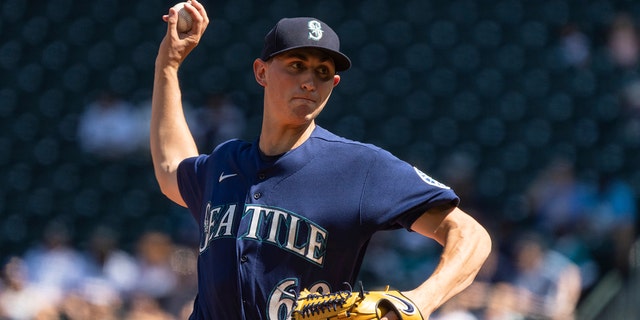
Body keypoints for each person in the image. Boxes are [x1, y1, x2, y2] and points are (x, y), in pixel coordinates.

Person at [150, 1, 492, 319]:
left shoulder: (359, 167)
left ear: (334, 83)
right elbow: (170, 170)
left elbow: (470, 234)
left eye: (323, 72)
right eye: (296, 66)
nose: (310, 82)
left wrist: (420, 300)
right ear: (261, 72)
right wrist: (168, 66)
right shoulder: (226, 162)